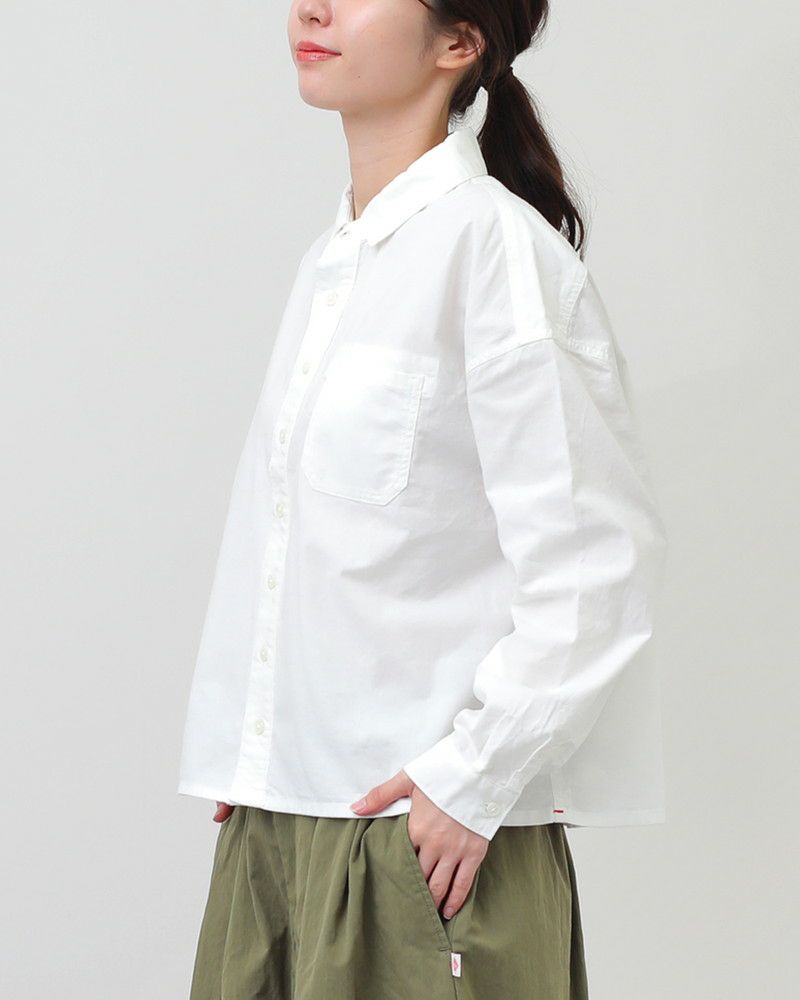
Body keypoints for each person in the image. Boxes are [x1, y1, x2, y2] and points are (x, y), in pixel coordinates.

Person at [178, 1, 669, 997]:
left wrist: (472, 779)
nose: (313, 8)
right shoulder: (336, 261)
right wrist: (261, 751)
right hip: (281, 826)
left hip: (419, 841)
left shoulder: (494, 252)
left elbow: (596, 562)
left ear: (459, 43)